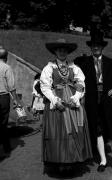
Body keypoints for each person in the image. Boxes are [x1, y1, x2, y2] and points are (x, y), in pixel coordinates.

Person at [74, 30, 112, 175]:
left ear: (102, 47)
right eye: (93, 45)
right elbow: (72, 70)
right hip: (91, 101)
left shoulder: (110, 62)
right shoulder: (84, 62)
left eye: (98, 45)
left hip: (107, 100)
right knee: (97, 131)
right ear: (90, 47)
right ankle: (103, 160)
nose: (95, 47)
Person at [40, 38, 92, 174]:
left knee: (74, 132)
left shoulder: (74, 67)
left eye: (64, 50)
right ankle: (60, 161)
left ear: (67, 52)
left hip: (72, 103)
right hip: (57, 102)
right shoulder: (49, 68)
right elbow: (45, 87)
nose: (62, 52)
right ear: (55, 51)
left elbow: (81, 84)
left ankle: (72, 160)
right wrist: (55, 100)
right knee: (59, 131)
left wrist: (75, 98)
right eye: (59, 50)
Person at [0, 47, 20, 157]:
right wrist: (16, 101)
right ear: (6, 58)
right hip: (3, 97)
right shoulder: (7, 67)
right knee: (3, 123)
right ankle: (6, 147)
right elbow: (11, 86)